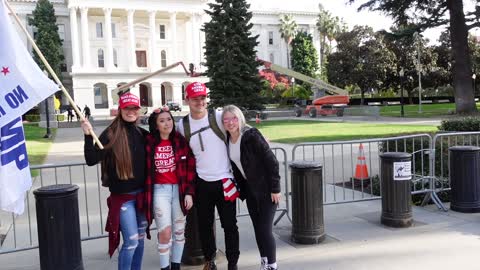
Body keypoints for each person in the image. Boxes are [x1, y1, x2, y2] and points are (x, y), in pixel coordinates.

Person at [81, 92, 149, 270]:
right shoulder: (111, 134)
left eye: (134, 108)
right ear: (120, 110)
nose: (131, 111)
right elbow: (91, 159)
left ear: (138, 110)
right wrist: (88, 136)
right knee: (131, 242)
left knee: (140, 241)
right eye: (127, 108)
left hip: (142, 196)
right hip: (123, 198)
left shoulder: (142, 133)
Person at [177, 82, 240, 270]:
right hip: (201, 183)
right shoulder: (183, 125)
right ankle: (209, 260)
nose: (200, 102)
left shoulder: (219, 117)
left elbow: (240, 127)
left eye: (203, 97)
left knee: (230, 226)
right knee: (204, 226)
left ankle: (232, 263)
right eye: (195, 98)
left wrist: (259, 137)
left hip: (225, 181)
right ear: (187, 100)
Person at [222, 105, 281, 270]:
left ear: (240, 118)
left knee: (265, 229)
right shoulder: (228, 139)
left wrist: (275, 188)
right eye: (226, 119)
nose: (230, 122)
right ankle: (264, 261)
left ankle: (272, 265)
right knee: (257, 228)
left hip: (266, 189)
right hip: (250, 190)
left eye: (233, 118)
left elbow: (272, 161)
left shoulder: (251, 135)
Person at [145, 106, 196, 270]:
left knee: (180, 232)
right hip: (160, 191)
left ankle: (176, 266)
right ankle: (164, 267)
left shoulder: (180, 141)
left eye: (169, 119)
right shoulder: (149, 143)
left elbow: (190, 168)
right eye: (162, 121)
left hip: (179, 191)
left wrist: (189, 193)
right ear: (156, 125)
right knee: (165, 233)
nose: (167, 123)